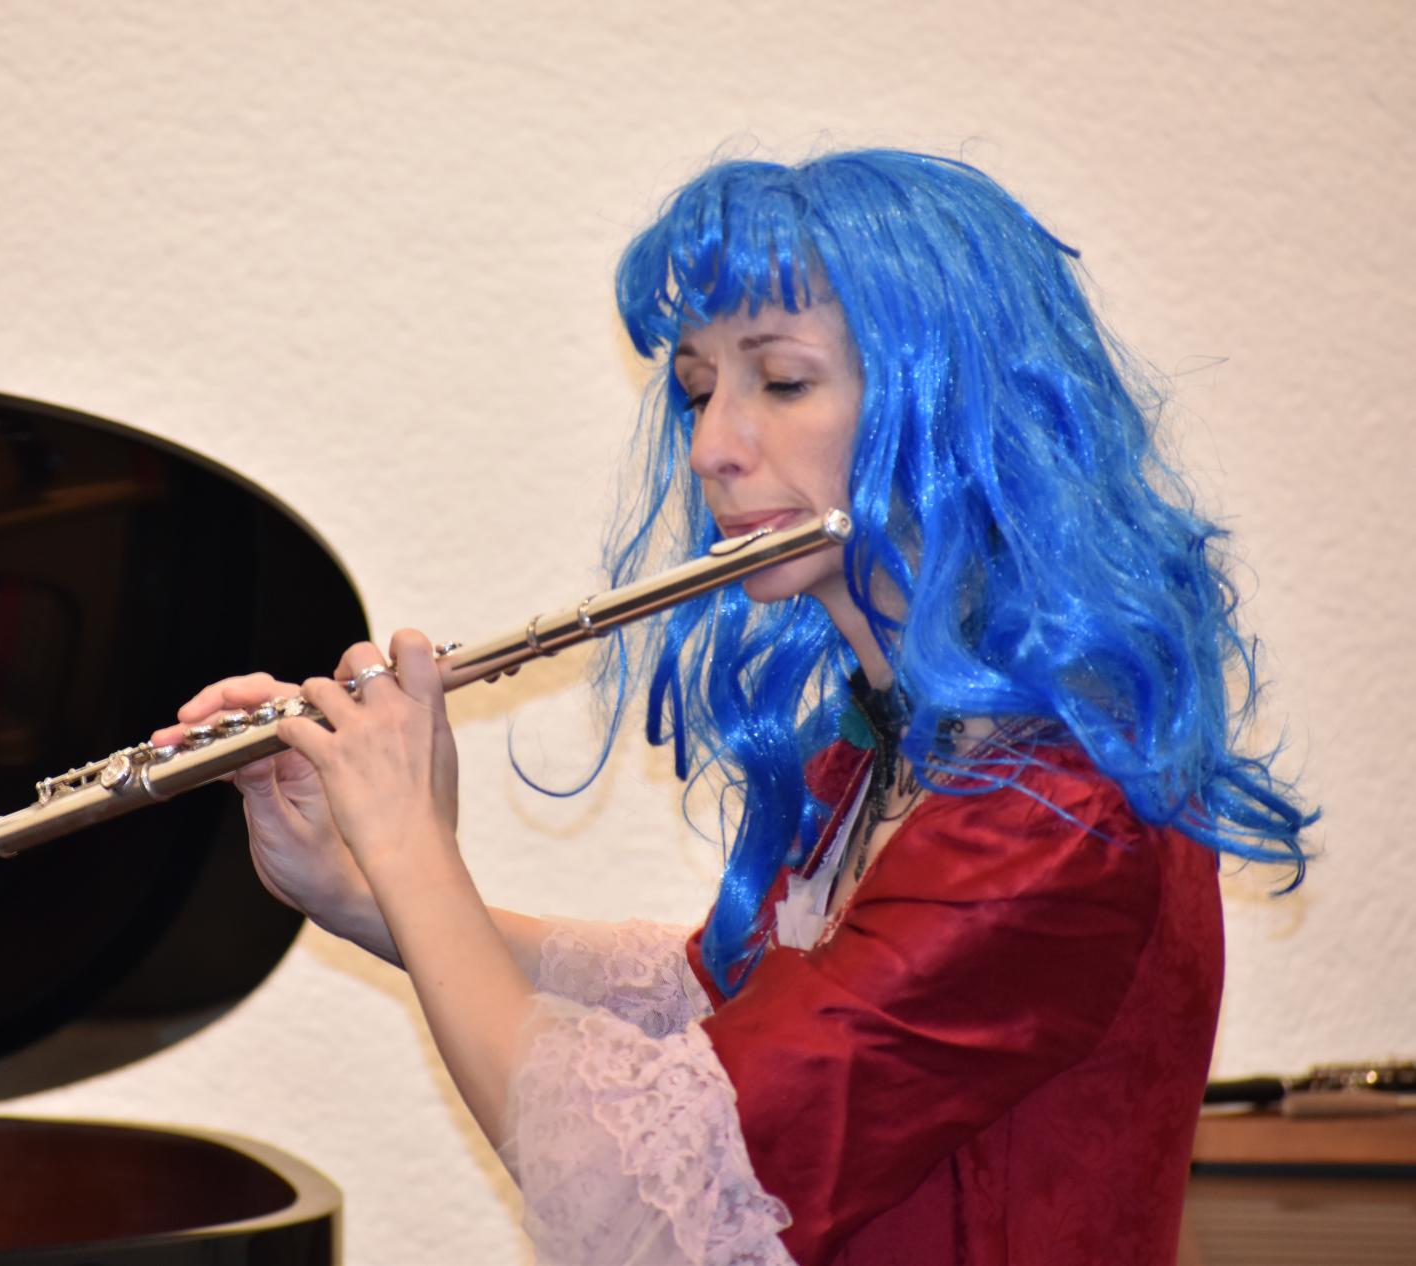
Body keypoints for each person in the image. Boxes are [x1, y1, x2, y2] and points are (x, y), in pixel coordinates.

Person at [150, 149, 1313, 1266]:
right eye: (699, 391)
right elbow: (713, 1016)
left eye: (783, 382)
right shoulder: (884, 752)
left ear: (955, 406)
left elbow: (632, 1197)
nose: (711, 447)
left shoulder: (1053, 814)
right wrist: (363, 892)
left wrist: (414, 854)